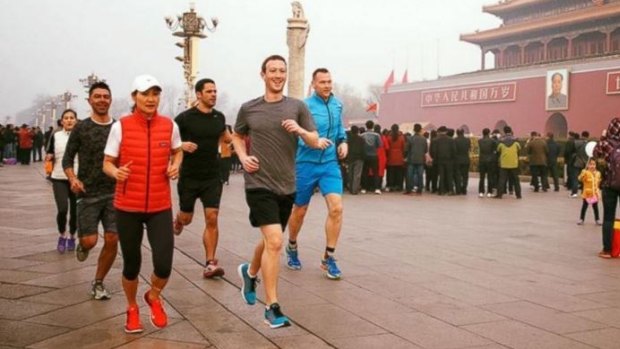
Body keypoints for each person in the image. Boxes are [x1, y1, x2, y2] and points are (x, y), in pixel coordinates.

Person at [232, 54, 320, 329]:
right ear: (263, 74)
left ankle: (250, 271)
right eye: (273, 70)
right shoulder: (249, 108)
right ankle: (272, 307)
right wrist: (243, 157)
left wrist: (300, 131)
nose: (278, 75)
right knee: (274, 242)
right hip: (258, 183)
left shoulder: (297, 107)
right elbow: (236, 135)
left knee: (273, 240)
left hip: (287, 184)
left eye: (282, 71)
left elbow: (315, 140)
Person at [103, 75, 183, 334]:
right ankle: (131, 308)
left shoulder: (169, 125)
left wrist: (175, 165)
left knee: (163, 263)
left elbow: (177, 150)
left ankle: (154, 295)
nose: (151, 99)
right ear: (134, 97)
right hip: (128, 205)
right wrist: (116, 173)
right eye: (145, 93)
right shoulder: (121, 127)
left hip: (160, 204)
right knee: (132, 263)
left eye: (155, 93)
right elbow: (107, 162)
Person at [285, 67, 347, 279]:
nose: (327, 86)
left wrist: (343, 142)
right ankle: (292, 245)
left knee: (337, 208)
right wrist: (313, 141)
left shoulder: (338, 104)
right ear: (313, 84)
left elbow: (339, 128)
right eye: (322, 82)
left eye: (330, 81)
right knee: (300, 210)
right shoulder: (304, 106)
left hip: (329, 164)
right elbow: (296, 133)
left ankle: (328, 258)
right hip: (305, 163)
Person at [62, 81, 119, 300]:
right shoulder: (81, 127)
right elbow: (67, 159)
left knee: (113, 238)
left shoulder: (118, 128)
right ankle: (83, 245)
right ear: (90, 100)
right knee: (90, 241)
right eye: (98, 96)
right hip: (88, 193)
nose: (102, 100)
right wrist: (73, 178)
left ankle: (98, 282)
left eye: (106, 96)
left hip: (114, 192)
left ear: (110, 100)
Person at [173, 78, 231, 279]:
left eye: (215, 91)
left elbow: (227, 138)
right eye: (209, 91)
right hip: (189, 176)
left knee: (212, 217)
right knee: (187, 218)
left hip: (212, 176)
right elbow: (168, 141)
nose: (213, 94)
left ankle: (210, 263)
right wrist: (181, 146)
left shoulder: (219, 117)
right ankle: (179, 220)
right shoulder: (184, 118)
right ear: (199, 94)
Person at [46, 109, 78, 253]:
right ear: (62, 121)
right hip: (59, 177)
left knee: (76, 211)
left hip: (77, 179)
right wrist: (49, 157)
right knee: (62, 209)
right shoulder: (56, 136)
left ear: (76, 120)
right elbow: (50, 152)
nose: (69, 120)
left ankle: (72, 236)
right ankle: (62, 234)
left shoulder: (81, 136)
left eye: (72, 118)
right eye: (66, 118)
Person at [593, 118, 620, 258]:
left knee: (608, 218)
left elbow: (594, 156)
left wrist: (602, 138)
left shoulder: (604, 143)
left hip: (608, 184)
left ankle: (607, 250)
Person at [495, 126, 522, 199]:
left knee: (502, 179)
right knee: (516, 180)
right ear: (511, 131)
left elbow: (498, 151)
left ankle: (499, 194)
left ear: (504, 131)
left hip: (504, 163)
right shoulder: (516, 141)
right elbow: (519, 149)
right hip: (514, 163)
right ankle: (518, 195)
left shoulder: (501, 141)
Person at [577, 158, 601, 226]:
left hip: (594, 193)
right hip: (587, 193)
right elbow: (580, 179)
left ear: (596, 165)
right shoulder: (585, 172)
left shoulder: (598, 173)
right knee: (584, 206)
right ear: (587, 165)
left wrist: (598, 192)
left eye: (594, 164)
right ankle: (581, 219)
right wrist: (583, 174)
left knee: (595, 207)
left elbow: (598, 183)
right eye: (590, 164)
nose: (592, 166)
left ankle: (597, 219)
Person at [404, 123, 427, 195]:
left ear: (414, 130)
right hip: (420, 159)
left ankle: (409, 190)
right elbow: (425, 150)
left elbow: (406, 149)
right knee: (420, 175)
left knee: (409, 175)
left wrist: (405, 157)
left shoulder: (410, 138)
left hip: (411, 159)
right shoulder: (424, 139)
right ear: (420, 130)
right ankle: (419, 190)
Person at [478, 128, 497, 197]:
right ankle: (489, 192)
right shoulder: (493, 141)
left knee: (482, 177)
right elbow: (495, 151)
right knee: (490, 177)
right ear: (489, 133)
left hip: (482, 160)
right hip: (490, 161)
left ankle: (481, 192)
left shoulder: (479, 141)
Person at [346, 125, 365, 195]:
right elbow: (363, 149)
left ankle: (350, 189)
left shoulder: (348, 139)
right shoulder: (361, 139)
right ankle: (354, 190)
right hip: (359, 158)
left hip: (350, 158)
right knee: (357, 175)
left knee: (350, 174)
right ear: (358, 131)